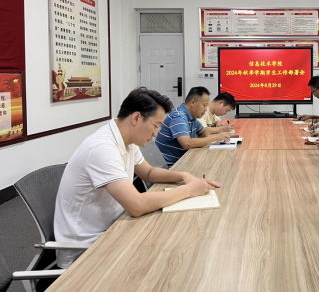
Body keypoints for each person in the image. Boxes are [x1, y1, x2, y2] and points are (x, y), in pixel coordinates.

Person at [54, 87, 220, 269]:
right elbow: (136, 205)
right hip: (87, 248)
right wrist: (188, 190)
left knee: (177, 239)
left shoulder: (126, 138)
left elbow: (148, 172)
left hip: (115, 226)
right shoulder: (102, 148)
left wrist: (183, 175)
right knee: (171, 255)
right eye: (156, 126)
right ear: (136, 118)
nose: (156, 133)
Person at [155, 87, 230, 166]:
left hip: (183, 160)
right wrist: (213, 138)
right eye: (204, 105)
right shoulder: (179, 116)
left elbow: (204, 131)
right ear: (193, 103)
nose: (205, 109)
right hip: (170, 166)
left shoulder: (192, 118)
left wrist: (207, 137)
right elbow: (187, 143)